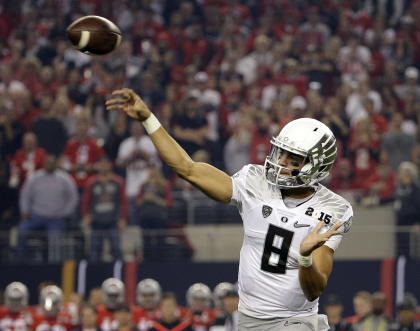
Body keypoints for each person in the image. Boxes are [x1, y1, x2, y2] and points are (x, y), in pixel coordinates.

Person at [106, 88, 353, 331]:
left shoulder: (331, 209)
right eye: (282, 154)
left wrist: (305, 258)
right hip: (249, 320)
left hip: (295, 322)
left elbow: (314, 290)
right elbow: (188, 169)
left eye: (294, 160)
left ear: (316, 167)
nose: (281, 164)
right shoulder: (255, 181)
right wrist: (149, 119)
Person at [17, 154, 78, 262]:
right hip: (36, 216)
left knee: (55, 242)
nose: (49, 165)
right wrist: (24, 211)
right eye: (47, 163)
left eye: (51, 163)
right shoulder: (35, 177)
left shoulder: (65, 178)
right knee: (22, 230)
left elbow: (73, 197)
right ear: (43, 164)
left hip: (56, 218)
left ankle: (53, 265)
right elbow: (25, 195)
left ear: (55, 164)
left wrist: (65, 213)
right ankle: (20, 261)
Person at [81, 157, 128, 262]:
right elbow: (85, 201)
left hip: (113, 220)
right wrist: (85, 215)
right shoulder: (91, 182)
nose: (104, 167)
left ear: (110, 165)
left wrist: (123, 219)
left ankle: (119, 273)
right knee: (94, 250)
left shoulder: (118, 181)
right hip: (96, 221)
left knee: (116, 249)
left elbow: (124, 202)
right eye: (101, 164)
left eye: (106, 164)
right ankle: (95, 274)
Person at [394, 162, 420, 258]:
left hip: (411, 228)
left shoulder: (416, 191)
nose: (399, 175)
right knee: (400, 254)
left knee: (411, 254)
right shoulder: (400, 189)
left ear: (408, 174)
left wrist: (418, 222)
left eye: (401, 173)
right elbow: (392, 198)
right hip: (400, 227)